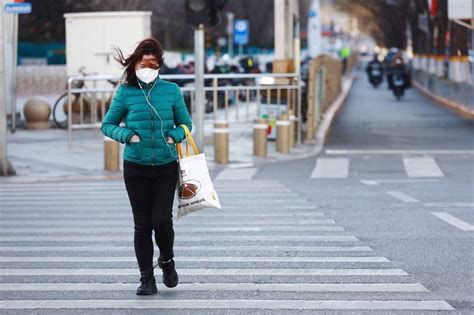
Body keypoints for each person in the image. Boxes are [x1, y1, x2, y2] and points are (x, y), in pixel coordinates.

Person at [101, 37, 192, 295]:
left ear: (160, 66)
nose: (148, 68)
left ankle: (168, 261)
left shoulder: (172, 91)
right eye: (144, 64)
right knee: (142, 225)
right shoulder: (125, 92)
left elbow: (187, 125)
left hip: (165, 165)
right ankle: (146, 279)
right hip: (136, 167)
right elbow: (107, 125)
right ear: (134, 65)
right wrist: (127, 135)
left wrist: (174, 136)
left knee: (161, 221)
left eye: (153, 64)